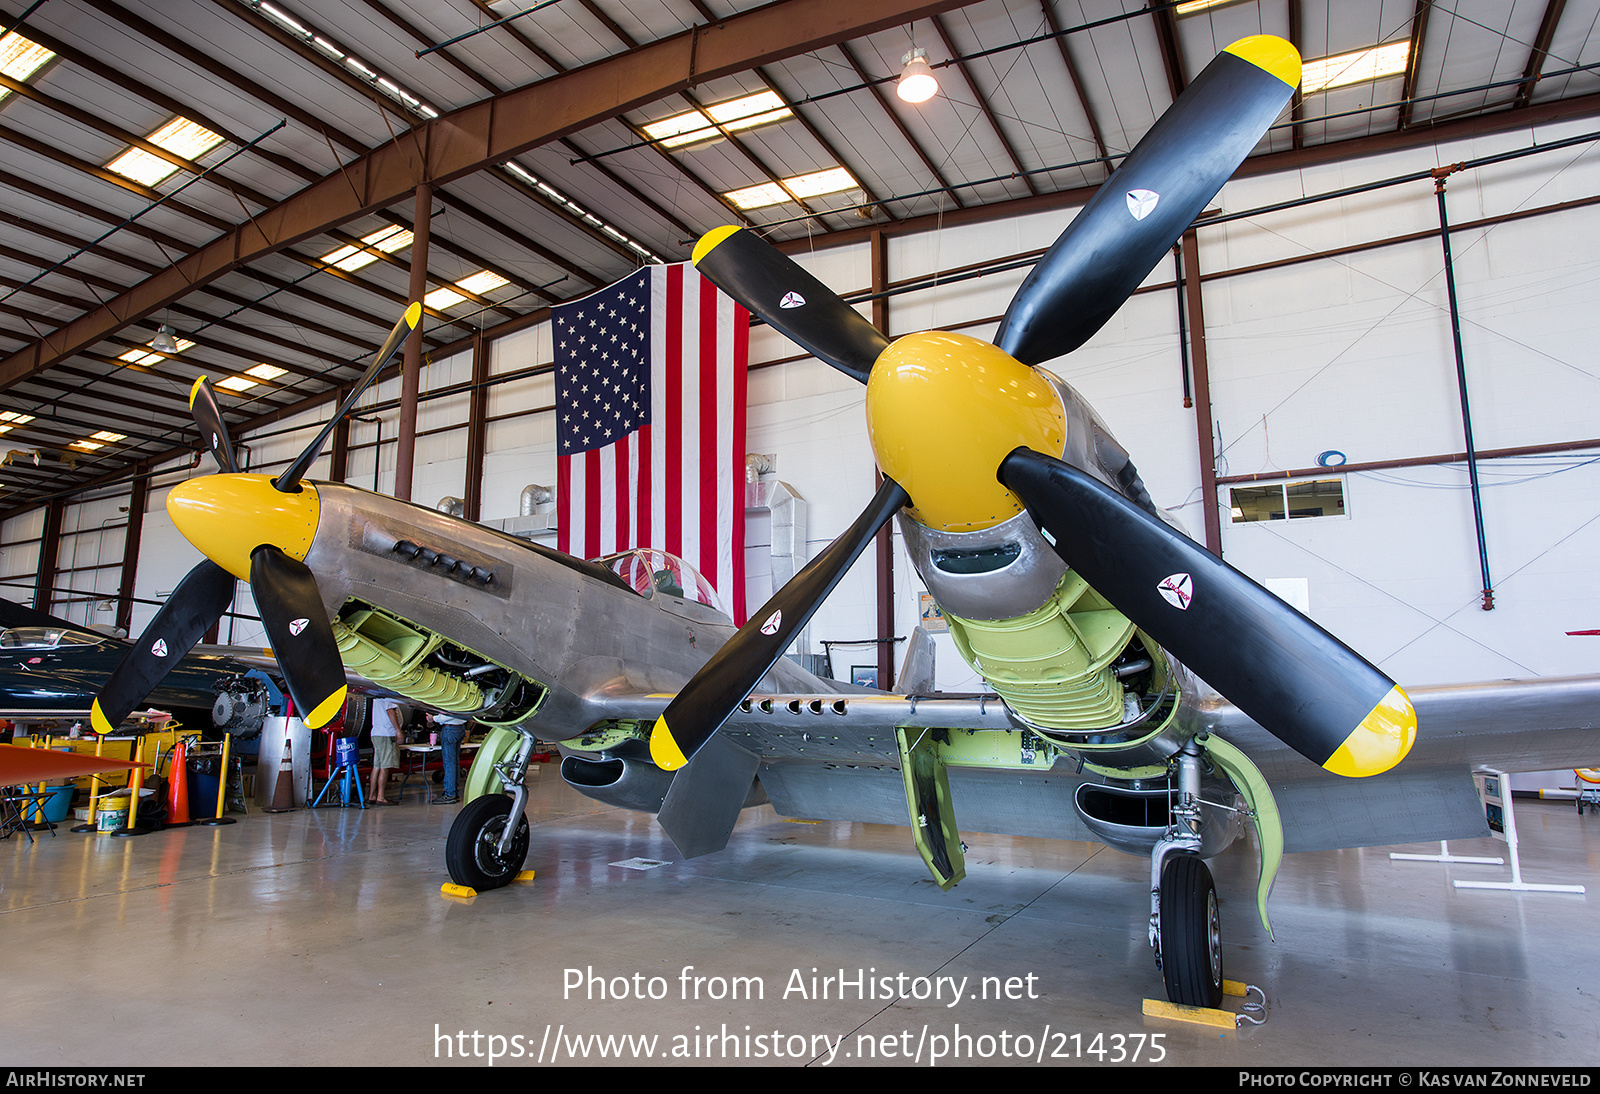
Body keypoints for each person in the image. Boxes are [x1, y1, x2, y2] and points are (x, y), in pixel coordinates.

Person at [367, 696, 405, 805]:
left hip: (376, 733)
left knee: (376, 766)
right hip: (386, 734)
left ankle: (372, 796)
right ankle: (381, 797)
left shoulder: (376, 696)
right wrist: (398, 731)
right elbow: (390, 711)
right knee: (385, 767)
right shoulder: (387, 696)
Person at [429, 713, 468, 804]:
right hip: (460, 728)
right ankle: (453, 791)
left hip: (450, 729)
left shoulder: (451, 699)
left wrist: (433, 718)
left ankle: (450, 794)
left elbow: (448, 715)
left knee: (449, 763)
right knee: (454, 762)